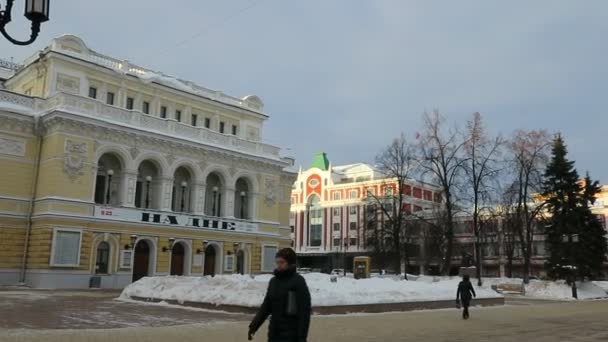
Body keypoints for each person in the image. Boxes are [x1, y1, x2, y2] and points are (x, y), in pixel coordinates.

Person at [249, 248, 311, 342]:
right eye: (277, 262)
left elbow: (304, 312)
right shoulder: (274, 281)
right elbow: (266, 306)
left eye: (282, 262)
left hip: (291, 335)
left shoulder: (298, 281)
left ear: (290, 263)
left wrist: (302, 337)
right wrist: (254, 326)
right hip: (274, 333)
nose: (278, 265)